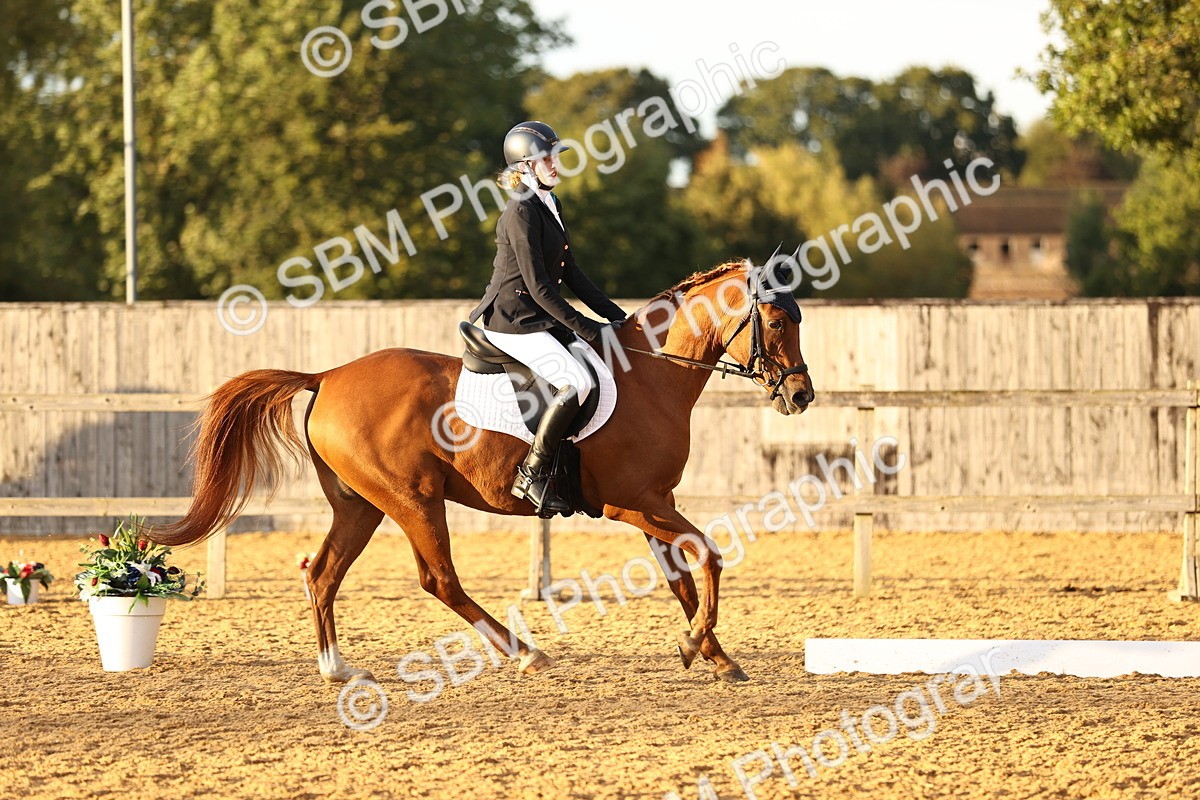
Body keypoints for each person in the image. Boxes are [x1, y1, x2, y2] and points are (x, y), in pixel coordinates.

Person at [468, 121, 626, 515]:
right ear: (524, 167)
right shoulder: (520, 212)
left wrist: (620, 319)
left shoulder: (548, 204)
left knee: (598, 368)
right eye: (546, 158)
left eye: (555, 155)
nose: (555, 164)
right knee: (577, 382)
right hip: (513, 321)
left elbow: (572, 273)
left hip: (538, 318)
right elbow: (540, 289)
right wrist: (590, 330)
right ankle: (532, 473)